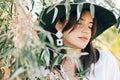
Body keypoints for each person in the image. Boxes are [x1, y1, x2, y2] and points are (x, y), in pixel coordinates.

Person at [39, 1, 120, 80]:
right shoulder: (43, 71)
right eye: (79, 23)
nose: (87, 31)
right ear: (59, 26)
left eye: (90, 26)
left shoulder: (105, 61)